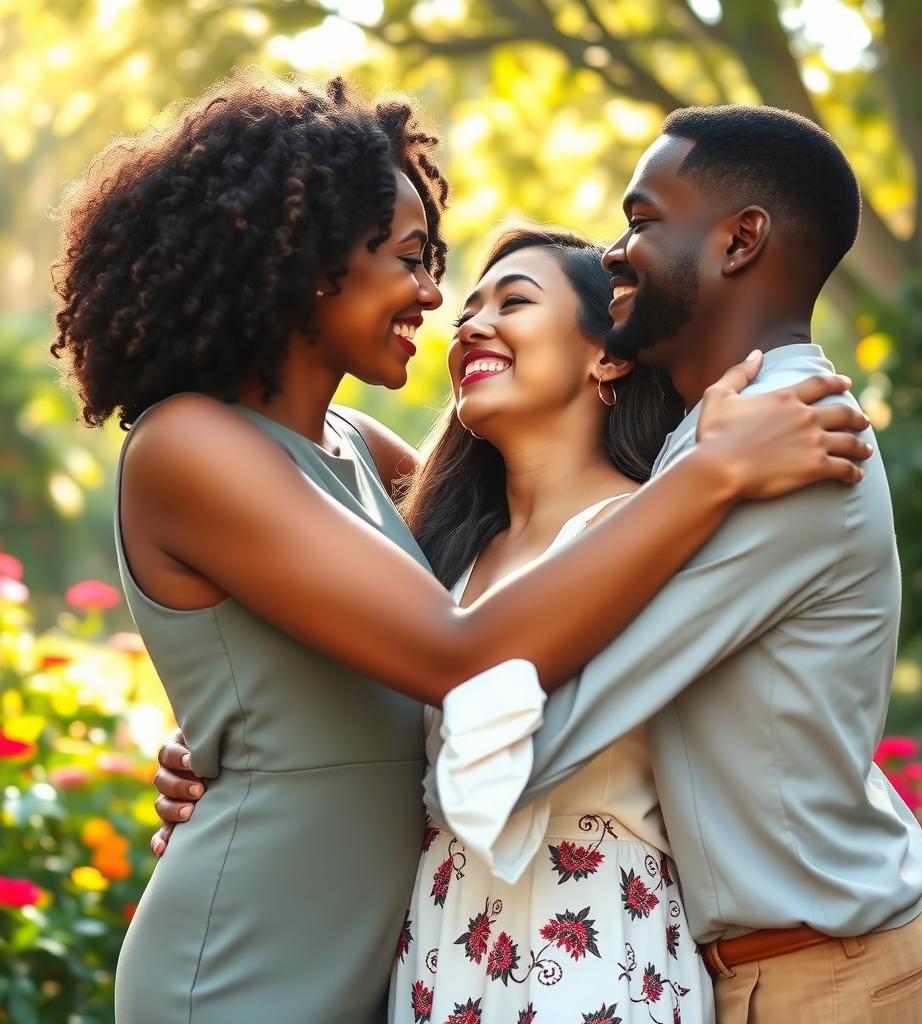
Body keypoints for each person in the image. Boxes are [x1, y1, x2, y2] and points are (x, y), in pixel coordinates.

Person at [51, 67, 871, 1024]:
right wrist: (711, 474)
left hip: (398, 962)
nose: (435, 296)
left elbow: (513, 520)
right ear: (311, 262)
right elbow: (459, 652)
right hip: (248, 949)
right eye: (410, 259)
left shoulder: (359, 451)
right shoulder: (190, 447)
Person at [424, 106, 922, 1023]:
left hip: (827, 976)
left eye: (642, 220)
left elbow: (545, 740)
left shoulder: (789, 441)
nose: (618, 252)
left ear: (740, 240)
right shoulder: (719, 442)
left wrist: (326, 762)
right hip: (775, 965)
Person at [390, 227, 714, 1022]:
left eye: (515, 302)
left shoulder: (657, 531)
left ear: (608, 356)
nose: (471, 326)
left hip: (598, 947)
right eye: (466, 311)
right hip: (440, 949)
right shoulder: (434, 558)